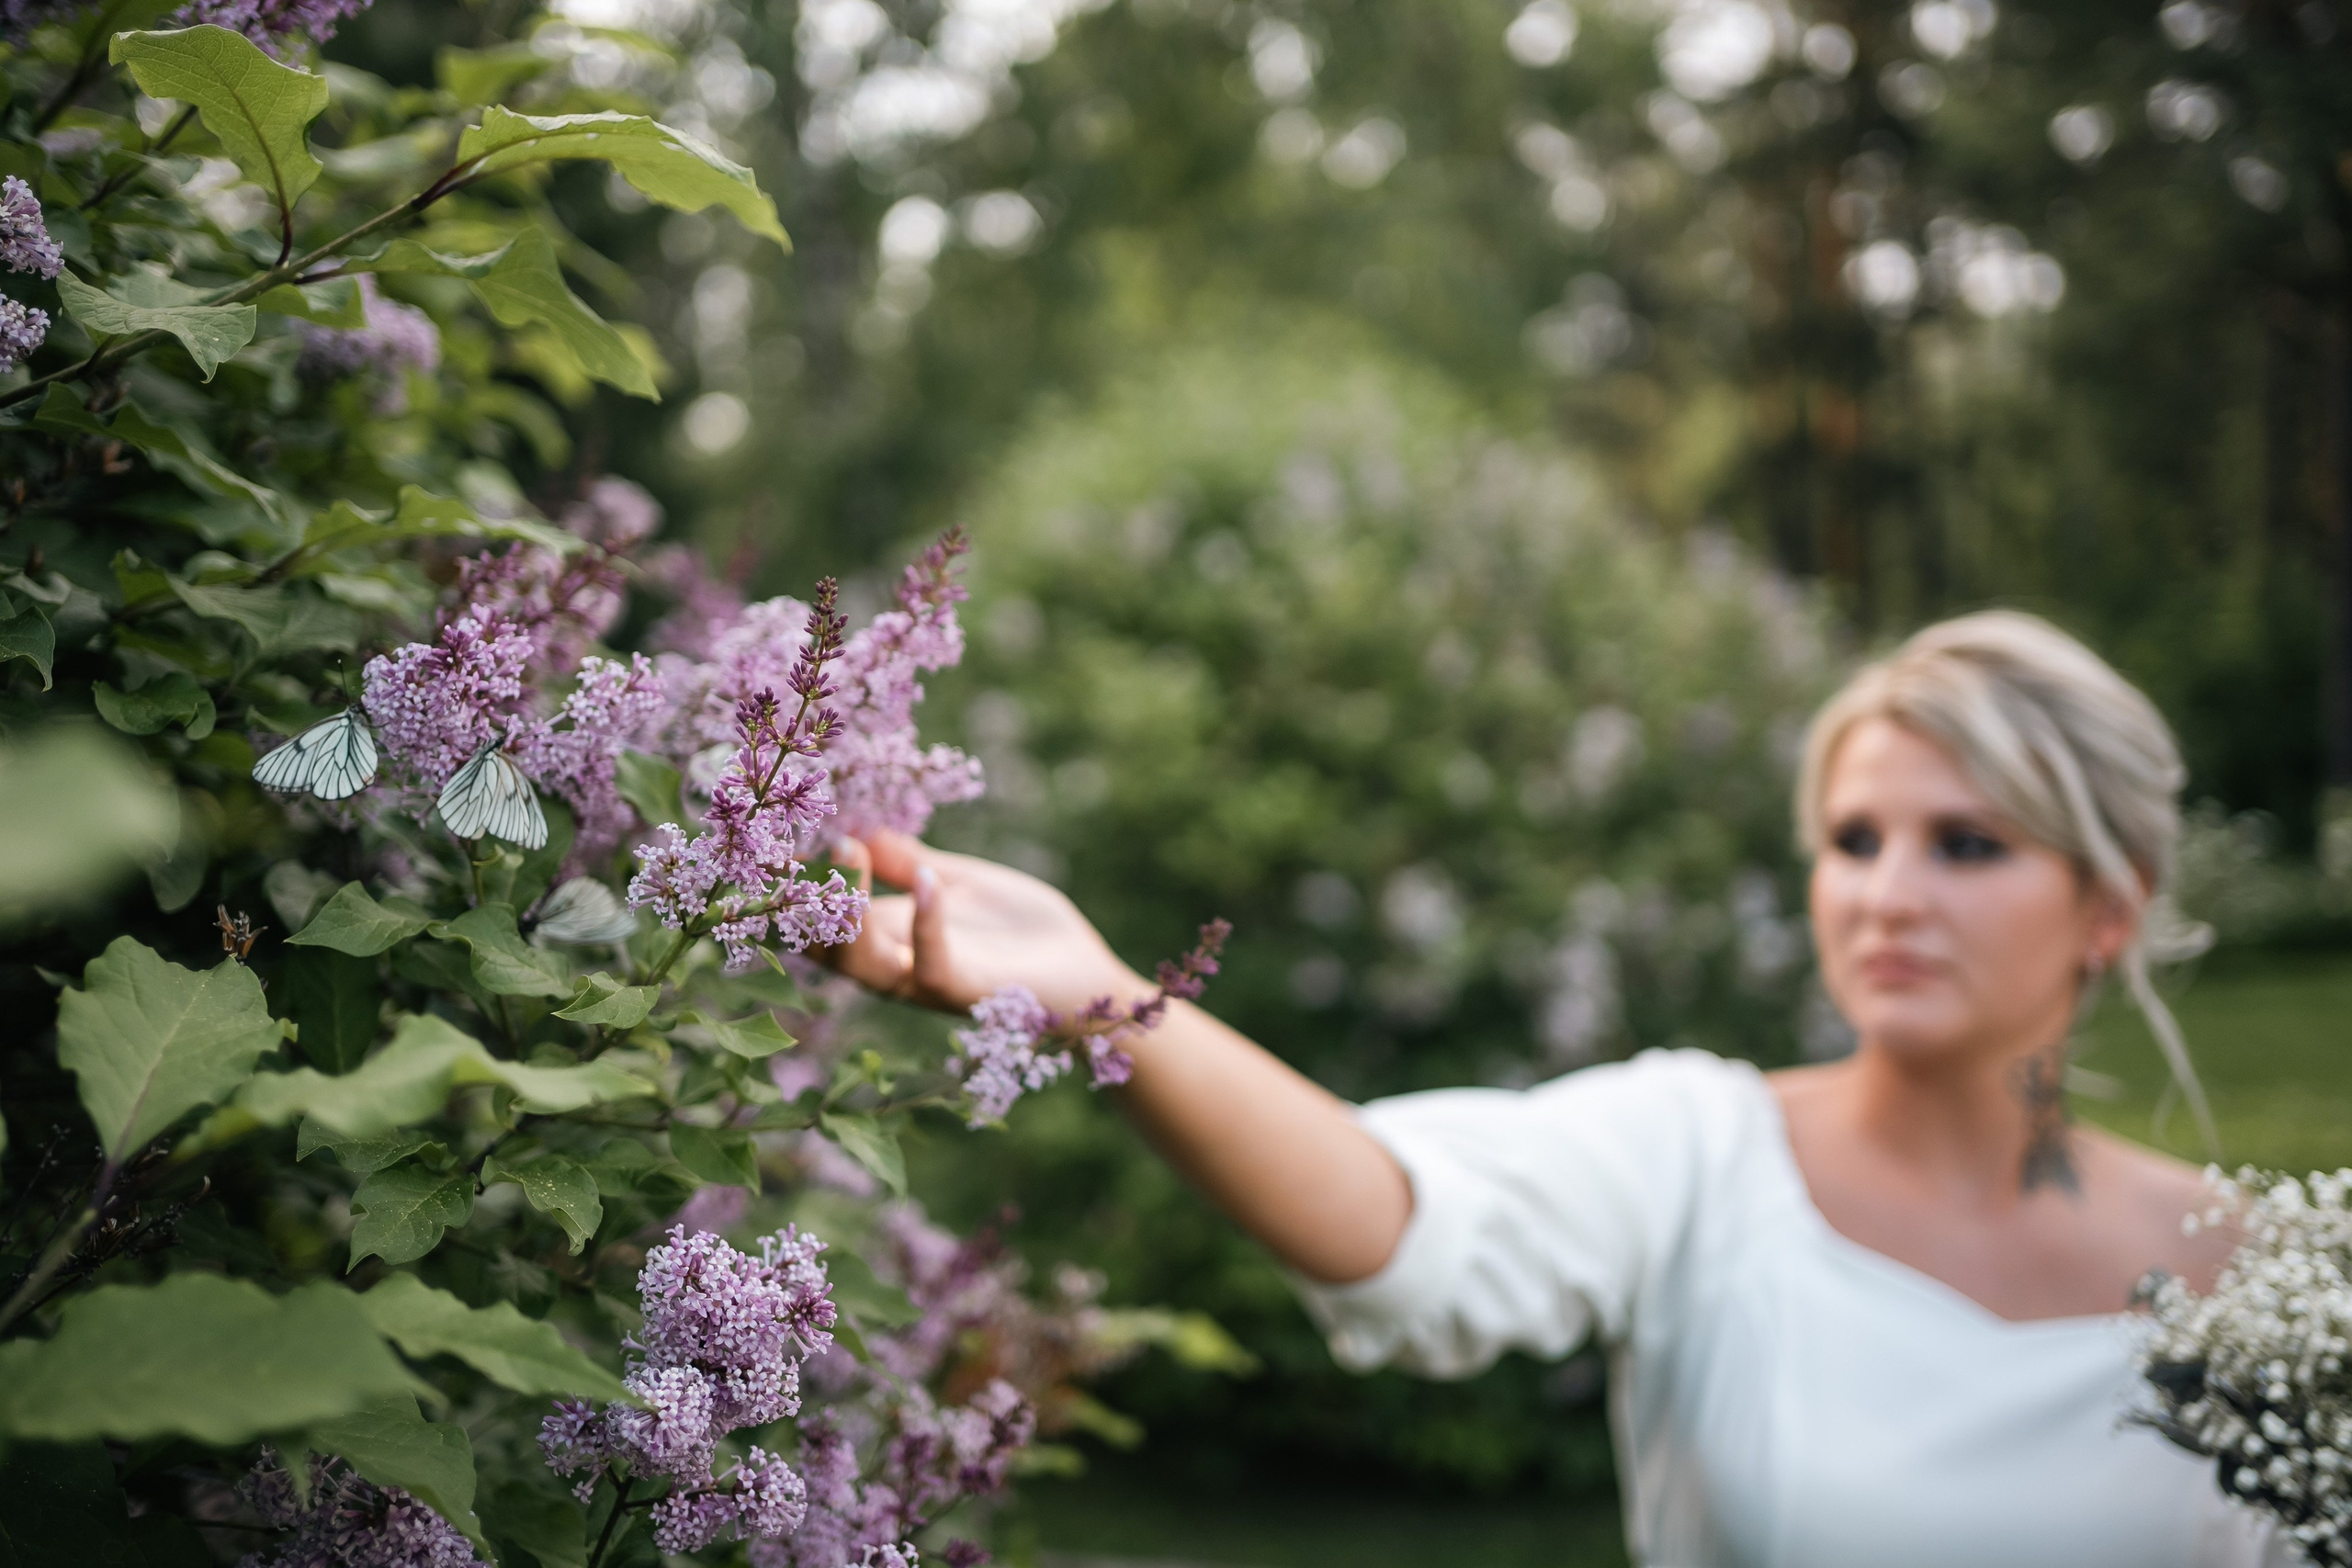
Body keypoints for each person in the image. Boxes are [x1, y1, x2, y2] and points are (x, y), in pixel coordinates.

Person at [827, 610, 2286, 1567]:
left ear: (2110, 907)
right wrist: (1102, 995)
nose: (1888, 895)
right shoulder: (1703, 1154)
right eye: (1855, 840)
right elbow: (1395, 1218)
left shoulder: (2271, 1277)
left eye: (1966, 844)